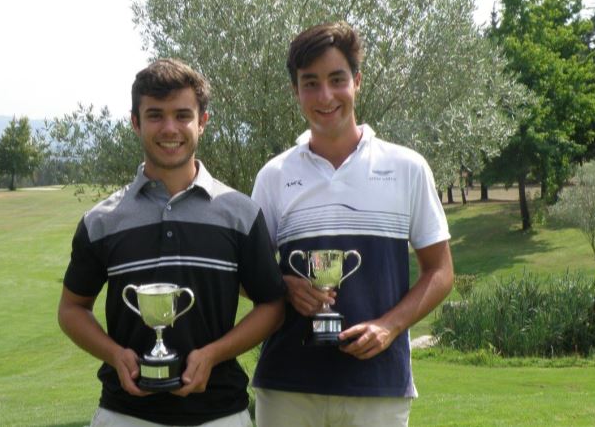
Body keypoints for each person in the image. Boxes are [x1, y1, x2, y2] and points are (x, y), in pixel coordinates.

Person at [58, 58, 286, 427]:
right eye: (155, 115)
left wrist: (213, 354)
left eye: (182, 115)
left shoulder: (240, 214)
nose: (170, 128)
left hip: (221, 414)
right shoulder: (102, 220)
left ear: (203, 122)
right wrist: (115, 355)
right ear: (135, 122)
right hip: (124, 413)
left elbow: (272, 306)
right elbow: (71, 309)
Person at [251, 22, 454, 427]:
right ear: (296, 92)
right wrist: (283, 285)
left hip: (377, 384)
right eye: (310, 83)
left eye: (336, 79)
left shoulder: (407, 167)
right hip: (288, 384)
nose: (325, 96)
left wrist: (389, 326)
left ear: (357, 82)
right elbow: (248, 273)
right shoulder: (273, 175)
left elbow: (441, 271)